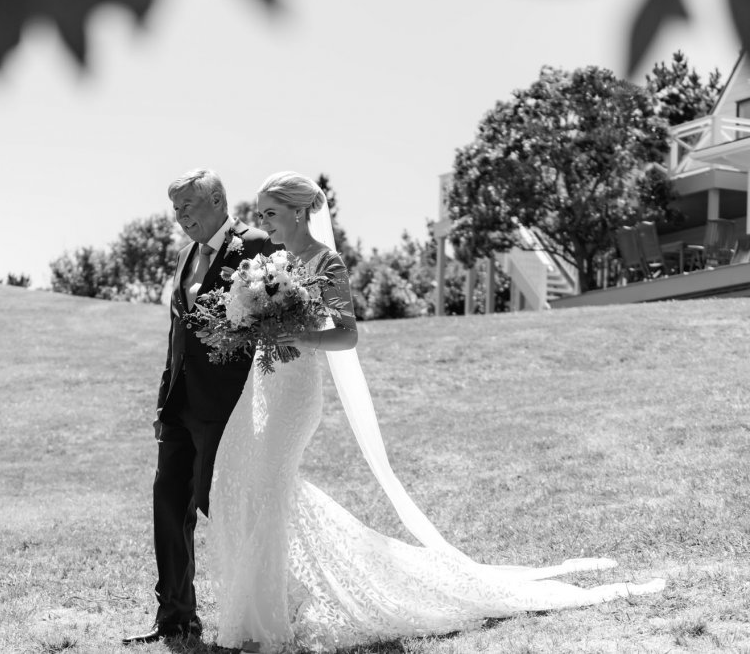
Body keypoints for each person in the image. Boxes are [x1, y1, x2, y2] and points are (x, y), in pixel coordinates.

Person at [205, 171, 665, 653]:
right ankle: (270, 603)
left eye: (270, 213)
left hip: (296, 393)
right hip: (263, 384)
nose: (263, 223)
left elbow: (347, 335)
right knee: (247, 479)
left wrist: (299, 336)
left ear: (299, 211)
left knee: (272, 484)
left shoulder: (327, 261)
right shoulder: (272, 262)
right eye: (259, 214)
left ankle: (269, 619)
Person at [123, 168, 276, 645]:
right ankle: (175, 616)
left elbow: (271, 327)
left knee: (224, 509)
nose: (180, 217)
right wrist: (162, 398)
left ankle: (259, 607)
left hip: (227, 407)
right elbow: (178, 335)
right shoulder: (186, 255)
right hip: (180, 405)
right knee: (168, 505)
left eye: (187, 206)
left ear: (216, 200)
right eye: (174, 210)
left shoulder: (255, 245)